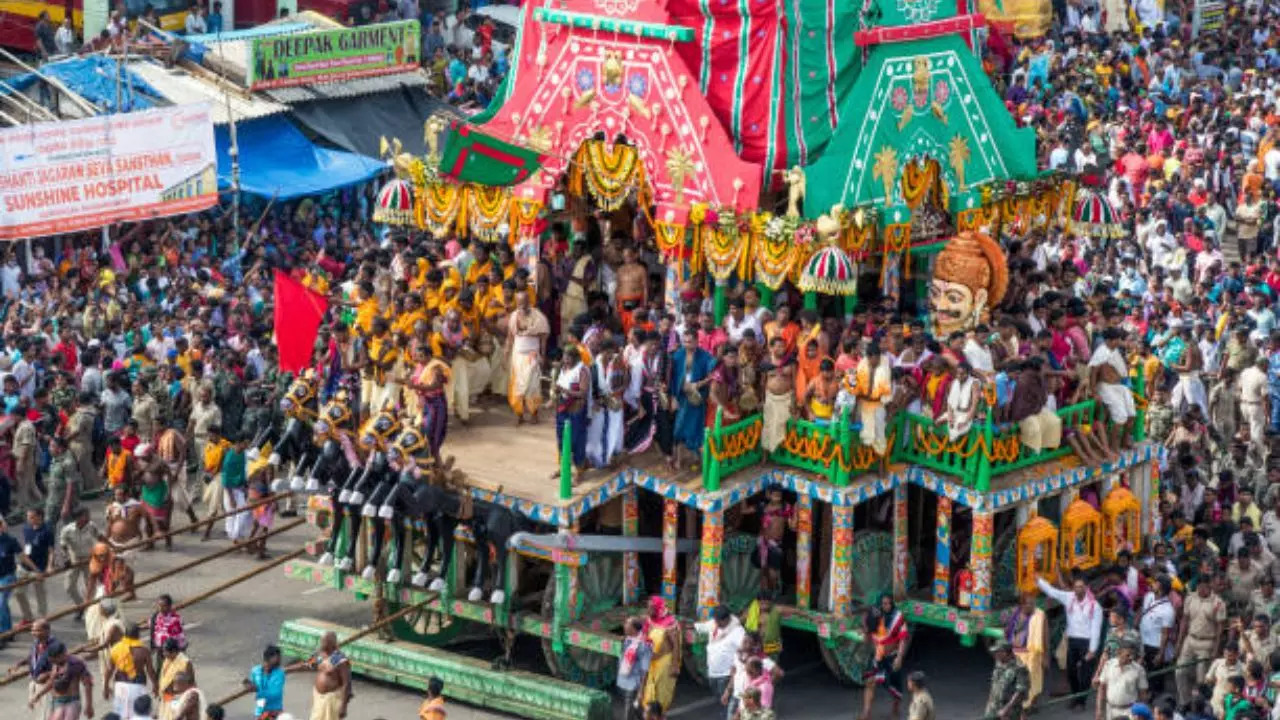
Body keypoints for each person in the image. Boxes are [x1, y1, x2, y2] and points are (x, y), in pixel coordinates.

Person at [1037, 571, 1102, 709]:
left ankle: (1082, 702)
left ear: (1086, 587)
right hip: (1072, 641)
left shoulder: (1094, 606)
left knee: (1085, 674)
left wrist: (1092, 650)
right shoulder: (1069, 597)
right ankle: (1075, 697)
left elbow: (1096, 629)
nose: (1077, 589)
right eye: (1076, 587)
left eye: (1080, 587)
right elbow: (1052, 592)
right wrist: (1039, 580)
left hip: (1087, 643)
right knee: (1071, 672)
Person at [860, 593, 908, 720]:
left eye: (888, 603)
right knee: (870, 682)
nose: (885, 606)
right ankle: (866, 713)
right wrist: (865, 630)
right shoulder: (874, 618)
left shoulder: (898, 617)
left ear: (892, 604)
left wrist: (899, 657)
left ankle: (895, 708)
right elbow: (867, 638)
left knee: (895, 687)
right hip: (878, 657)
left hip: (892, 658)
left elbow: (903, 639)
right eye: (883, 603)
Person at [694, 605, 743, 714]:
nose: (717, 624)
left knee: (728, 704)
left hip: (726, 675)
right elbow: (701, 627)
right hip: (713, 673)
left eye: (719, 622)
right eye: (716, 620)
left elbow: (744, 651)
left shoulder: (738, 631)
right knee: (721, 701)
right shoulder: (714, 623)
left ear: (727, 619)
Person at [31, 639, 94, 720]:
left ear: (62, 655)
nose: (54, 662)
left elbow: (88, 684)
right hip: (57, 701)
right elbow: (52, 682)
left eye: (55, 660)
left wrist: (89, 705)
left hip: (71, 701)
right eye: (52, 660)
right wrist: (38, 695)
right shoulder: (55, 664)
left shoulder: (76, 663)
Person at [106, 622, 158, 720]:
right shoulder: (144, 651)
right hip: (137, 686)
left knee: (121, 715)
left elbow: (109, 669)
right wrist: (156, 685)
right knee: (139, 714)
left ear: (125, 634)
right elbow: (150, 671)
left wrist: (105, 686)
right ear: (138, 634)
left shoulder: (116, 648)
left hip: (120, 686)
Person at [1005, 593, 1048, 707]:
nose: (1032, 606)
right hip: (1015, 654)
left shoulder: (1039, 615)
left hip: (1031, 655)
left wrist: (1045, 656)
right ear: (1022, 604)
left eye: (1033, 603)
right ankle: (1020, 708)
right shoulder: (1015, 613)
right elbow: (1008, 630)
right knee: (1015, 684)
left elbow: (1045, 637)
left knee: (1030, 684)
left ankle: (1025, 709)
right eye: (1029, 604)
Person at [639, 596, 680, 713]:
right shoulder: (649, 620)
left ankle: (660, 715)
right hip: (651, 662)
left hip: (664, 662)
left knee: (661, 694)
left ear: (658, 609)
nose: (648, 610)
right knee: (648, 691)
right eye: (647, 607)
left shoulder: (670, 623)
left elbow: (676, 645)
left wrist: (675, 665)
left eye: (651, 608)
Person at [15, 507, 54, 625]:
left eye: (31, 517)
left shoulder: (47, 531)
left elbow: (51, 550)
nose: (28, 519)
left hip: (39, 568)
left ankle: (42, 620)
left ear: (39, 517)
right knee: (18, 592)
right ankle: (28, 617)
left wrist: (49, 566)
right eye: (28, 517)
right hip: (24, 566)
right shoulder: (26, 528)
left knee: (40, 594)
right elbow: (26, 545)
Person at [1096, 641, 1148, 720]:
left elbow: (1143, 694)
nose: (1131, 657)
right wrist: (1099, 710)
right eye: (1128, 655)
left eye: (1133, 655)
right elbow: (1101, 689)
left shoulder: (1139, 670)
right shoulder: (1109, 665)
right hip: (1110, 710)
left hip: (1130, 711)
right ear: (1119, 652)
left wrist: (1142, 714)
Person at [305, 631, 350, 720]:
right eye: (321, 641)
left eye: (323, 641)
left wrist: (344, 706)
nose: (321, 644)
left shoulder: (340, 659)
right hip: (318, 699)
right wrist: (288, 669)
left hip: (331, 701)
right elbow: (307, 665)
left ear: (331, 643)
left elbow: (346, 684)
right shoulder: (319, 655)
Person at [616, 617, 651, 720]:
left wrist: (641, 690)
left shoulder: (644, 645)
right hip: (622, 681)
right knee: (635, 707)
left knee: (628, 710)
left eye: (627, 624)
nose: (624, 625)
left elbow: (645, 669)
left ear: (634, 629)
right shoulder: (627, 639)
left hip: (633, 683)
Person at [984, 642, 1029, 720]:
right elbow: (995, 683)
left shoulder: (1019, 668)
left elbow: (1020, 691)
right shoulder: (999, 663)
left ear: (1004, 653)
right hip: (993, 706)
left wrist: (1007, 709)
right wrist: (989, 703)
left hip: (1009, 710)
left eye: (997, 652)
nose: (995, 655)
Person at [245, 645, 286, 720]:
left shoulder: (279, 674)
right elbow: (251, 683)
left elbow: (275, 693)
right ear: (268, 658)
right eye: (277, 658)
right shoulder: (255, 671)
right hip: (259, 712)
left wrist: (258, 690)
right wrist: (247, 685)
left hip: (274, 712)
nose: (279, 660)